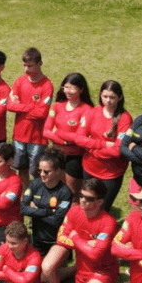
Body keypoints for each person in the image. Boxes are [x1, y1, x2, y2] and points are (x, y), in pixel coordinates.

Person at [42, 178, 120, 283]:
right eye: (81, 196)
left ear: (99, 201)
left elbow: (95, 255)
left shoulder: (108, 223)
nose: (83, 200)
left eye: (89, 198)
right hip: (82, 268)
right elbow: (61, 238)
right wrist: (87, 244)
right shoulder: (74, 211)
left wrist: (76, 238)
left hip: (103, 270)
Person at [73, 79, 131, 211]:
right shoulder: (92, 112)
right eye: (105, 96)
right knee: (86, 206)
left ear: (120, 97)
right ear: (100, 95)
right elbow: (79, 138)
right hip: (89, 169)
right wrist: (103, 144)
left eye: (112, 97)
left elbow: (117, 151)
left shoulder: (125, 118)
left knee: (102, 210)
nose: (108, 100)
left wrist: (91, 148)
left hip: (111, 174)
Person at [6, 47, 54, 189]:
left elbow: (42, 113)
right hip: (19, 136)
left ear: (40, 64)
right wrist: (31, 107)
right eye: (24, 65)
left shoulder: (47, 85)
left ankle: (41, 195)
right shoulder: (19, 82)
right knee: (21, 169)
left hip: (37, 138)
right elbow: (9, 105)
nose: (26, 69)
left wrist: (20, 106)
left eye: (30, 66)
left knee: (38, 172)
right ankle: (25, 196)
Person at [43, 72, 93, 201]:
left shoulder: (87, 110)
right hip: (55, 155)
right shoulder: (57, 106)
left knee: (72, 193)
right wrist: (66, 141)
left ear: (81, 89)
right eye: (65, 87)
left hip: (74, 157)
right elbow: (46, 131)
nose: (68, 91)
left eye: (72, 88)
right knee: (53, 188)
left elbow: (79, 137)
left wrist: (57, 133)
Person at [19, 147, 73, 256]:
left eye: (46, 172)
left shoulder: (65, 192)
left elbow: (55, 221)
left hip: (57, 241)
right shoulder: (35, 184)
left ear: (57, 171)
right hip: (37, 240)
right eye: (39, 170)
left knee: (47, 266)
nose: (42, 174)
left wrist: (34, 210)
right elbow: (23, 208)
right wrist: (47, 211)